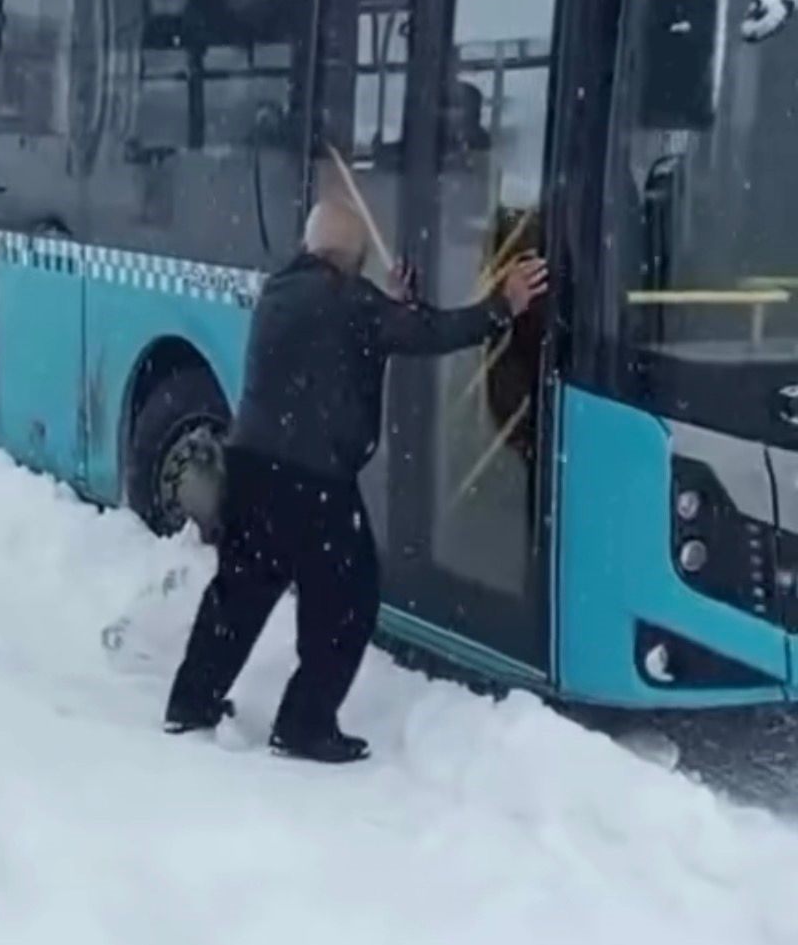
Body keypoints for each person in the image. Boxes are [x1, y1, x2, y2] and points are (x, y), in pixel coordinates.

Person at [163, 198, 548, 764]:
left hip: (252, 470)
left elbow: (356, 332)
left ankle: (190, 702)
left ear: (309, 245)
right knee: (346, 603)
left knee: (238, 595)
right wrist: (503, 305)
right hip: (313, 483)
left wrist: (390, 304)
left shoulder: (280, 291)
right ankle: (305, 724)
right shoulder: (352, 302)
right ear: (353, 258)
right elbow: (433, 333)